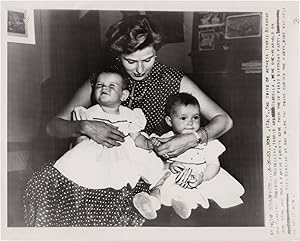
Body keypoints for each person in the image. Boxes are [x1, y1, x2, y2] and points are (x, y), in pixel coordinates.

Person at [24, 14, 233, 227]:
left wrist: (190, 139)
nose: (140, 69)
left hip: (147, 167)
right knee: (43, 182)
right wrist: (83, 126)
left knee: (122, 205)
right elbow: (53, 127)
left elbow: (224, 120)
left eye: (148, 59)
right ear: (119, 55)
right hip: (97, 161)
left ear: (156, 52)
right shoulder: (104, 80)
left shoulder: (174, 80)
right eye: (131, 61)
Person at [133, 93, 244, 220]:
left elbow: (214, 164)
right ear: (169, 121)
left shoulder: (205, 141)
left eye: (195, 117)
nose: (191, 122)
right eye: (183, 118)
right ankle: (151, 203)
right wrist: (169, 164)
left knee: (190, 192)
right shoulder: (166, 138)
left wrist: (202, 177)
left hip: (197, 175)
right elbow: (160, 160)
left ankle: (181, 203)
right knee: (158, 185)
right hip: (173, 176)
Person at [53, 70, 167, 190]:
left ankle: (157, 190)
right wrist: (79, 145)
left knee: (145, 161)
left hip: (123, 156)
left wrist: (148, 143)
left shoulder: (130, 115)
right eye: (99, 85)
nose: (104, 88)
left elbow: (136, 137)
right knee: (84, 173)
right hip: (97, 156)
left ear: (123, 95)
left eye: (111, 85)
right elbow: (81, 139)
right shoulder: (89, 113)